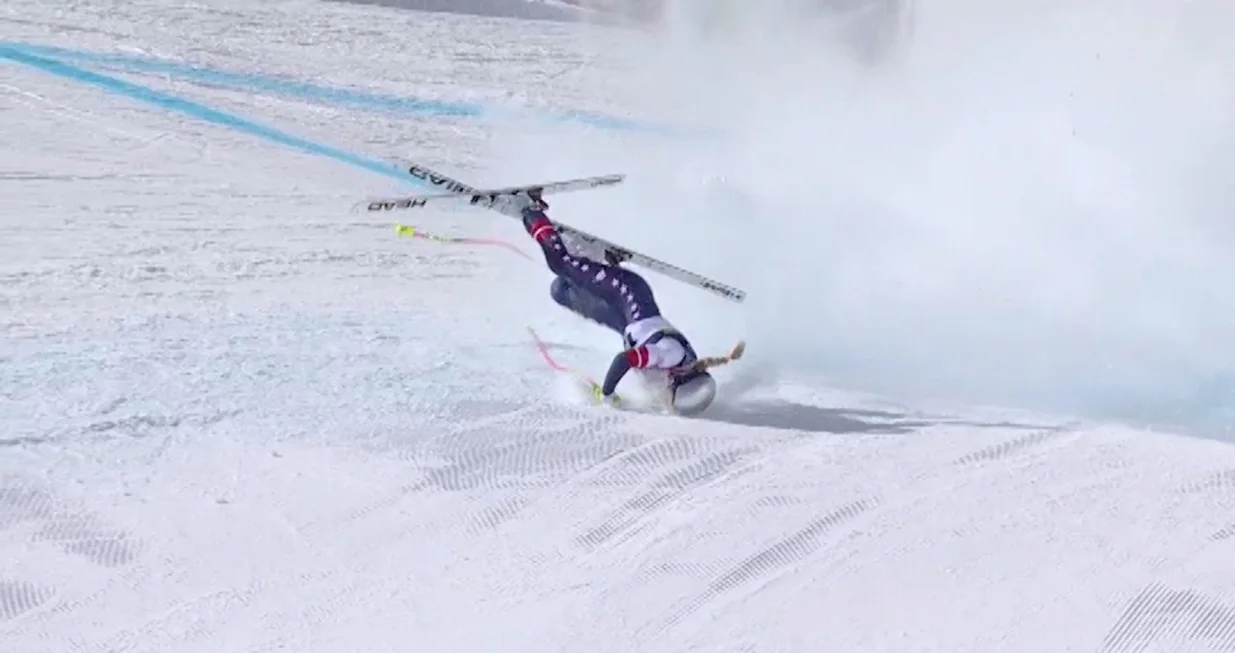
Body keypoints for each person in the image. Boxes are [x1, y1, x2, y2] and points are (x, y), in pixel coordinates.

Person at [519, 201, 718, 415]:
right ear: (677, 380)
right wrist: (607, 394)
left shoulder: (677, 369)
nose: (668, 402)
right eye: (673, 400)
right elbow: (624, 359)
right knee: (561, 263)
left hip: (624, 318)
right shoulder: (670, 355)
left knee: (562, 292)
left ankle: (599, 261)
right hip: (628, 292)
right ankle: (532, 211)